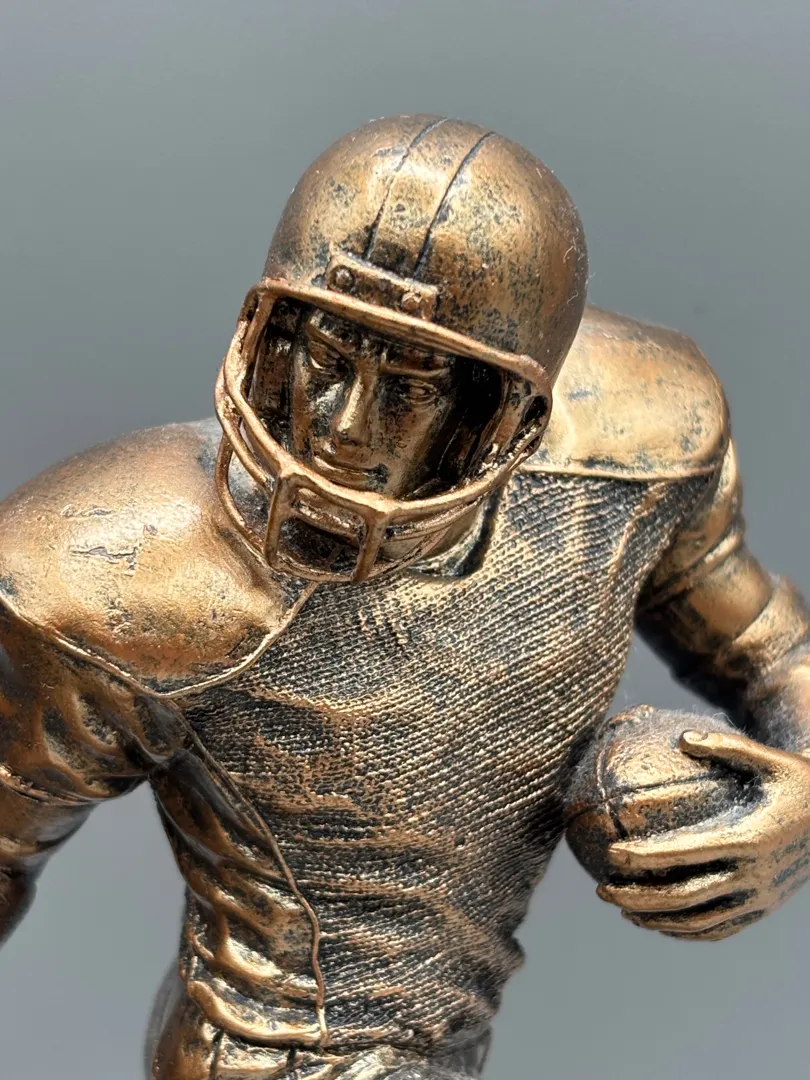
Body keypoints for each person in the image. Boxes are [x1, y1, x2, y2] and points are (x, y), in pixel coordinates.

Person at [0, 115, 808, 1080]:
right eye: (329, 351)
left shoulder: (641, 444)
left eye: (411, 384)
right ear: (273, 331)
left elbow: (771, 649)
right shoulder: (112, 567)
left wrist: (801, 797)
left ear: (502, 413)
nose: (343, 425)